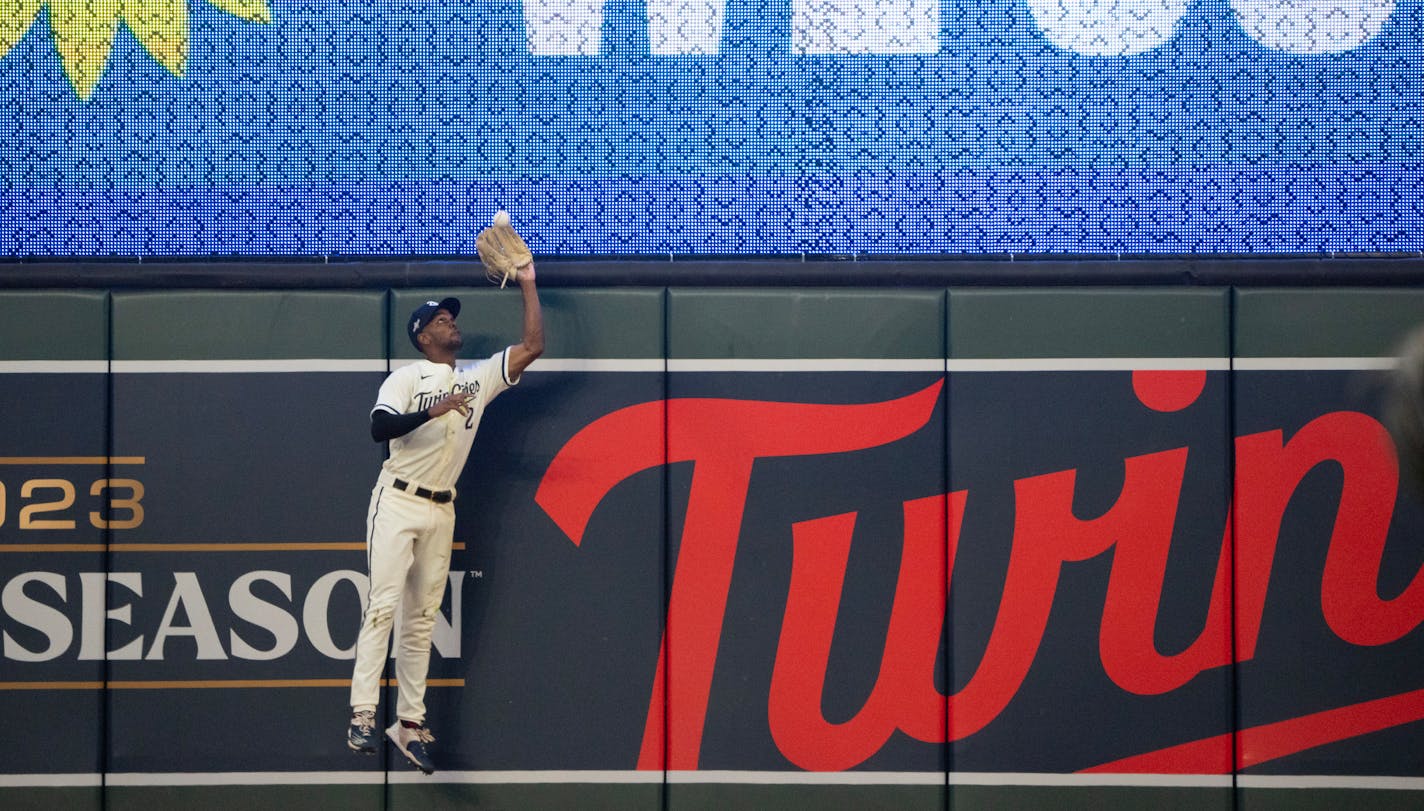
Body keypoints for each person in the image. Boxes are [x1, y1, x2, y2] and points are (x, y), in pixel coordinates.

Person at [347, 263, 543, 774]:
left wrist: (527, 283)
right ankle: (364, 713)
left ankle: (409, 725)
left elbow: (532, 346)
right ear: (422, 335)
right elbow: (378, 428)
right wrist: (433, 411)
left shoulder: (475, 380)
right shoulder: (407, 377)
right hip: (397, 500)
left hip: (441, 507)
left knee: (420, 623)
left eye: (450, 317)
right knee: (383, 606)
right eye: (438, 319)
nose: (449, 323)